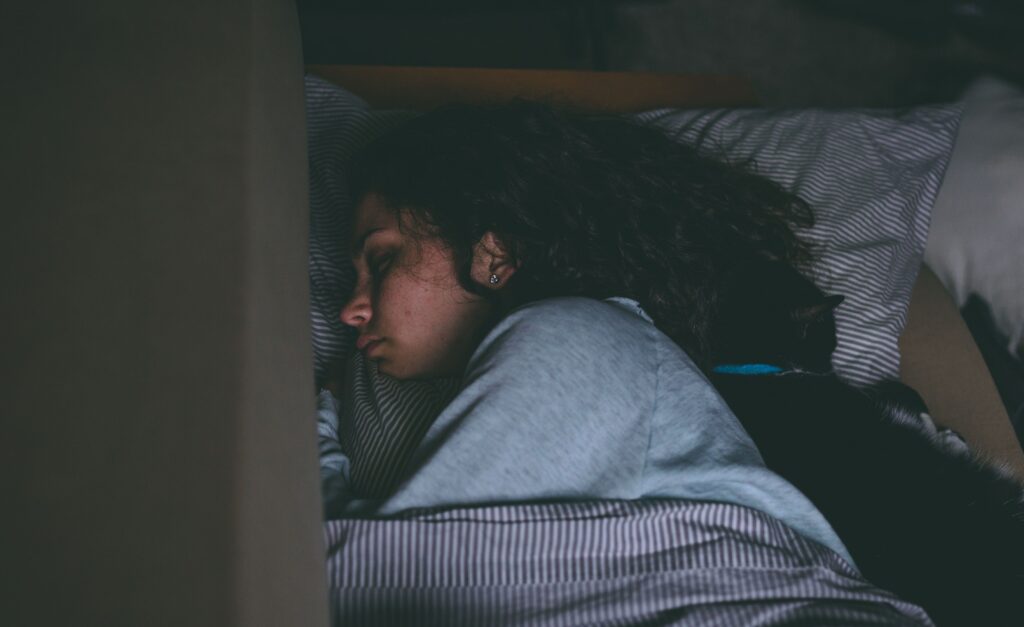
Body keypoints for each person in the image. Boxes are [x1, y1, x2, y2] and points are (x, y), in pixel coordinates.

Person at [320, 100, 855, 565]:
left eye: (384, 260)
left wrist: (318, 432)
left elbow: (378, 568)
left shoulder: (579, 335)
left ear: (493, 254)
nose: (351, 310)